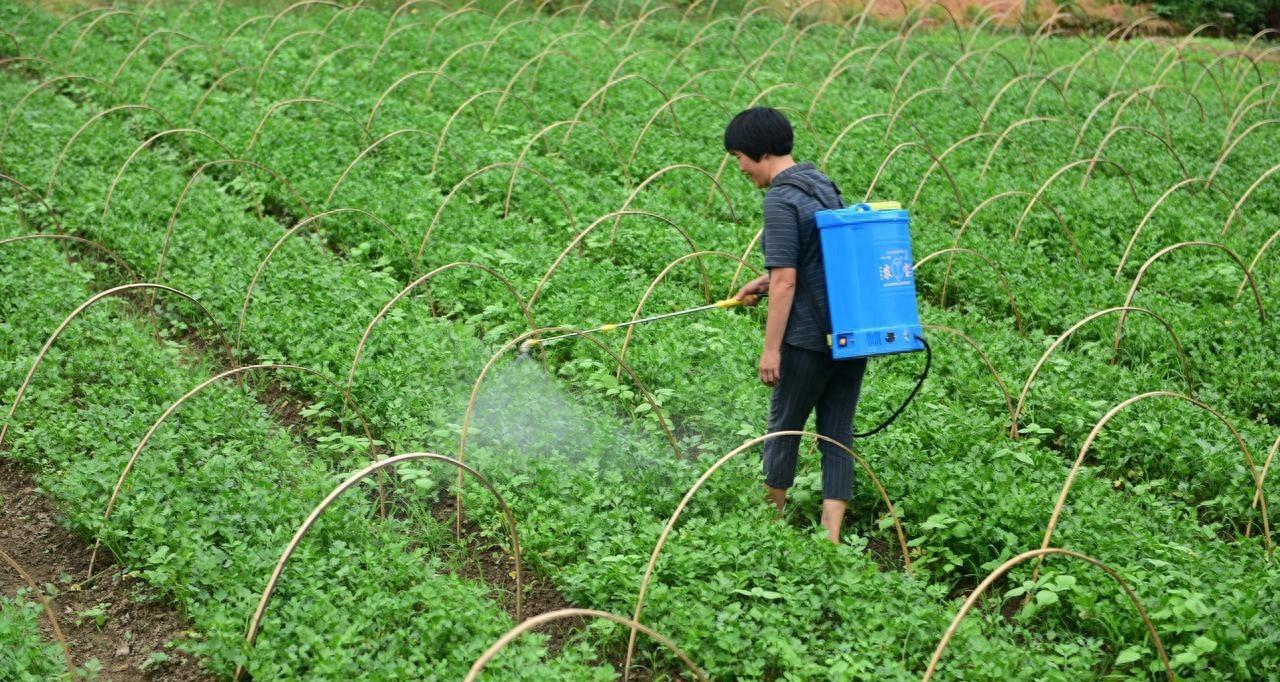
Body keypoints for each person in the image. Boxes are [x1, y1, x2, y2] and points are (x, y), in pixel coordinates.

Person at [726, 106, 868, 544]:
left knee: (784, 427)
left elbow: (789, 280)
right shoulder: (822, 184)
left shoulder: (780, 198)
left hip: (806, 340)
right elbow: (817, 262)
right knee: (837, 433)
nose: (740, 168)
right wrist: (764, 281)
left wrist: (772, 350)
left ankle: (769, 529)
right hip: (849, 332)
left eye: (739, 157)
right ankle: (831, 541)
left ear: (759, 151)